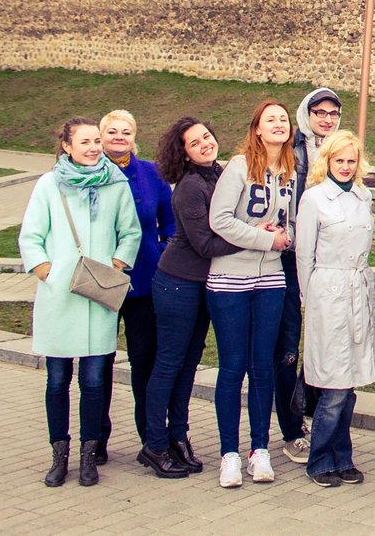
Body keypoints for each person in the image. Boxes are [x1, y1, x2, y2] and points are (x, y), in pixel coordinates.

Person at [18, 118, 141, 487]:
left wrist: (115, 266)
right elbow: (31, 235)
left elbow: (130, 231)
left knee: (93, 380)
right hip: (59, 295)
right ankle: (59, 455)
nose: (93, 148)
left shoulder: (115, 183)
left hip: (97, 296)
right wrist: (47, 271)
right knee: (57, 380)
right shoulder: (49, 184)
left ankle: (90, 455)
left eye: (96, 141)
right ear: (67, 146)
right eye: (84, 142)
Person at [140, 117, 240, 478]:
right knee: (169, 363)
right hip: (177, 283)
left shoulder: (219, 175)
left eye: (207, 137)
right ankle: (154, 444)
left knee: (189, 364)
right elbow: (205, 245)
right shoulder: (190, 187)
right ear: (183, 153)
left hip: (202, 285)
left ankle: (178, 437)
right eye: (194, 143)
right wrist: (253, 238)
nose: (205, 144)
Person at [207, 99, 295, 488]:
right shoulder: (239, 166)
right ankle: (229, 452)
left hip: (270, 278)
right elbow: (220, 220)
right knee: (233, 365)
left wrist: (285, 238)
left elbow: (290, 223)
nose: (278, 124)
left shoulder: (290, 171)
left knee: (263, 365)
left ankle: (260, 449)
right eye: (270, 119)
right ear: (257, 128)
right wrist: (262, 239)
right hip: (230, 277)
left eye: (283, 119)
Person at [296, 130, 375, 488]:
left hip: (357, 290)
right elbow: (304, 254)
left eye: (351, 160)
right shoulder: (314, 198)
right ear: (327, 161)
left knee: (349, 386)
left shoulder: (362, 196)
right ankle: (319, 458)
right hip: (327, 294)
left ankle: (343, 457)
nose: (345, 167)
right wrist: (311, 297)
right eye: (339, 160)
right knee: (333, 386)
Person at [96, 109, 174, 466]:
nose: (119, 137)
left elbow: (169, 220)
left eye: (126, 132)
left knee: (145, 361)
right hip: (101, 281)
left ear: (134, 136)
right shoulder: (91, 172)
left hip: (143, 279)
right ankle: (96, 437)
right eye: (112, 131)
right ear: (101, 137)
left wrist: (164, 249)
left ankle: (151, 437)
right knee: (99, 361)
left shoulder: (150, 173)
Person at [277, 86, 343, 465]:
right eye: (320, 112)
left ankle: (317, 417)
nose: (327, 119)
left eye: (333, 113)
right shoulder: (293, 150)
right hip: (292, 256)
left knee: (325, 343)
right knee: (289, 345)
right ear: (307, 113)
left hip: (329, 259)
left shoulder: (339, 149)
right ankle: (291, 429)